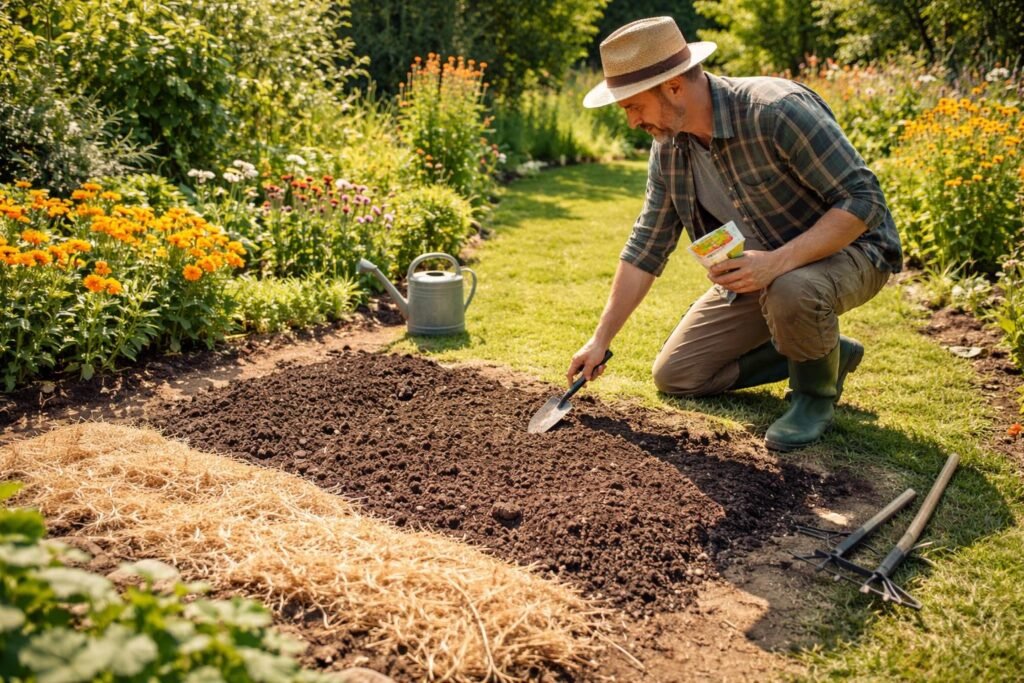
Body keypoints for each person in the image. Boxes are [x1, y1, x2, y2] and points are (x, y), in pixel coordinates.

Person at [567, 16, 902, 451]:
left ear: (672, 87)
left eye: (633, 106)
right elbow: (646, 246)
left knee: (792, 286)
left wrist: (777, 262)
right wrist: (600, 339)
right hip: (763, 269)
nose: (631, 121)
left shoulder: (776, 110)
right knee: (678, 375)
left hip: (853, 249)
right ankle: (825, 350)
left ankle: (812, 399)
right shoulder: (669, 149)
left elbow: (865, 200)